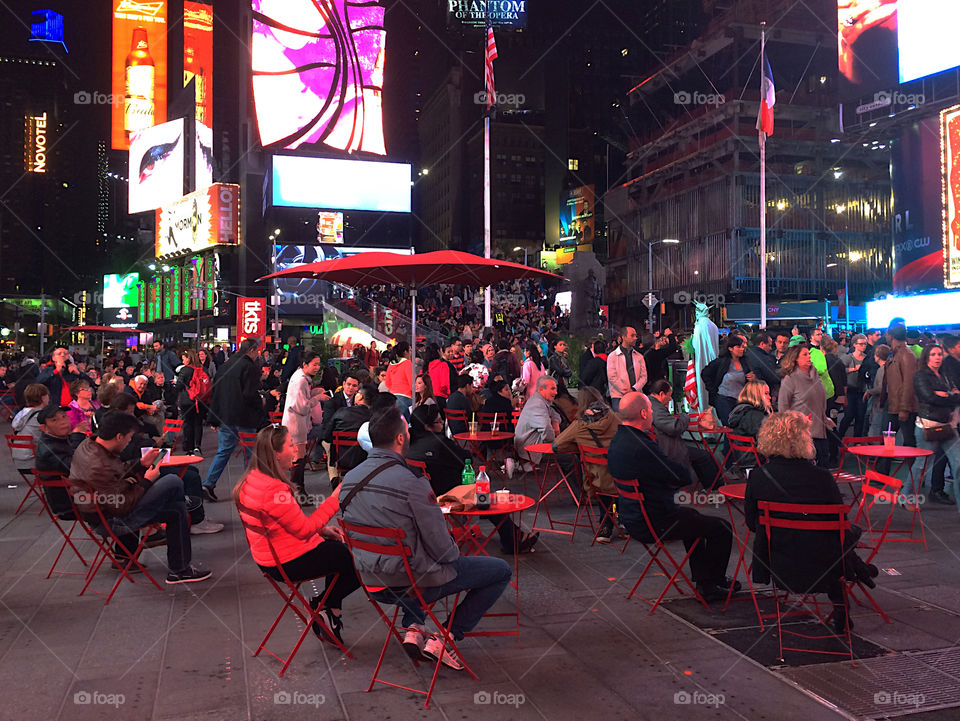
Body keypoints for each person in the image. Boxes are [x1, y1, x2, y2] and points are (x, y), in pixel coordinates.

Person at [338, 406, 512, 668]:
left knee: (412, 558)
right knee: (499, 570)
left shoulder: (349, 481)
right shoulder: (412, 482)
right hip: (412, 584)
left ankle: (416, 628)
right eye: (406, 432)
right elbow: (445, 551)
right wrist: (454, 549)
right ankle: (446, 637)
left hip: (373, 583)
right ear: (399, 439)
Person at [744, 411, 878, 633]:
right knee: (846, 534)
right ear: (803, 440)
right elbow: (840, 525)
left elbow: (751, 523)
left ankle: (859, 571)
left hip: (779, 562)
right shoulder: (822, 477)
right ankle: (854, 578)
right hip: (825, 564)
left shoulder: (758, 476)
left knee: (838, 535)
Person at [607, 392, 738, 602]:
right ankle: (715, 580)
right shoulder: (642, 446)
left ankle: (706, 582)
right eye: (650, 410)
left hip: (630, 516)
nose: (652, 414)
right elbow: (681, 475)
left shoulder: (618, 441)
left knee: (692, 518)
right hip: (654, 520)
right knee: (721, 528)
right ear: (643, 413)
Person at [235, 424, 360, 643]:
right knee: (356, 560)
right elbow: (302, 531)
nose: (295, 449)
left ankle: (329, 612)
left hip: (268, 557)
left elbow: (288, 522)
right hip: (285, 562)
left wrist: (322, 530)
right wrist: (334, 500)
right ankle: (324, 606)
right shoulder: (273, 488)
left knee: (337, 550)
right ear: (276, 454)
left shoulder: (250, 480)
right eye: (290, 445)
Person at [69, 411, 212, 583]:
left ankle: (179, 570)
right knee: (172, 481)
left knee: (177, 509)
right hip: (112, 520)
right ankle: (185, 505)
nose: (130, 441)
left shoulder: (90, 445)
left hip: (107, 509)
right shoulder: (98, 465)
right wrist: (146, 482)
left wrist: (140, 464)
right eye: (129, 438)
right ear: (119, 436)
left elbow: (116, 471)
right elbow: (120, 505)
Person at [408, 404, 538, 554]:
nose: (443, 423)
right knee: (488, 497)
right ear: (427, 427)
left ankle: (513, 535)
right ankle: (512, 540)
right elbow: (465, 459)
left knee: (482, 495)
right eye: (439, 422)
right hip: (450, 496)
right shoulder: (440, 443)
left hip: (426, 496)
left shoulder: (410, 444)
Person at [553, 386, 620, 542]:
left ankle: (606, 527)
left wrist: (580, 446)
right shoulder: (615, 418)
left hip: (595, 479)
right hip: (620, 475)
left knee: (602, 478)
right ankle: (623, 520)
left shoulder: (579, 425)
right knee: (612, 479)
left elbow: (556, 445)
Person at [203, 338, 267, 502]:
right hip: (245, 418)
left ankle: (208, 484)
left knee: (223, 451)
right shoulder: (249, 367)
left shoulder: (224, 366)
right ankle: (248, 488)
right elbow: (249, 394)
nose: (258, 354)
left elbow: (215, 393)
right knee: (249, 455)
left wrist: (214, 419)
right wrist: (261, 403)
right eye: (257, 351)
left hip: (225, 417)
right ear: (252, 350)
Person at [647, 380, 719, 489]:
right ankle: (716, 487)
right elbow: (674, 428)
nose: (671, 399)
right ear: (661, 394)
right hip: (667, 449)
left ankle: (710, 487)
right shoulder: (656, 408)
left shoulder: (650, 403)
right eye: (669, 396)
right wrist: (685, 416)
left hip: (662, 445)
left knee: (700, 455)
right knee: (704, 456)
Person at [912, 344, 960, 507]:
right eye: (933, 354)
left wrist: (946, 395)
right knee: (922, 466)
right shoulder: (920, 376)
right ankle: (907, 495)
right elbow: (930, 398)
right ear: (927, 357)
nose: (938, 357)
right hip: (929, 425)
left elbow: (952, 394)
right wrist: (949, 395)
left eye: (939, 354)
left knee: (958, 463)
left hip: (948, 424)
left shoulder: (944, 375)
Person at [282, 351, 329, 502]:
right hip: (296, 424)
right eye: (314, 364)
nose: (317, 367)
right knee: (298, 458)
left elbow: (300, 397)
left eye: (318, 364)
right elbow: (301, 407)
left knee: (298, 458)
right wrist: (318, 398)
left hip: (296, 422)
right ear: (304, 365)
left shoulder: (301, 377)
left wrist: (313, 392)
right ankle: (298, 491)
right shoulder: (301, 380)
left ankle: (298, 490)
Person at [779, 345, 833, 468]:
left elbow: (820, 402)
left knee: (823, 470)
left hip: (821, 431)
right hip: (802, 435)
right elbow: (783, 408)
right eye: (804, 355)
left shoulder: (816, 377)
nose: (809, 356)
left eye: (809, 354)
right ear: (795, 359)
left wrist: (825, 419)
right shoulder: (790, 379)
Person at [879, 326, 919, 475]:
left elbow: (909, 383)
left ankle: (913, 479)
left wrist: (904, 408)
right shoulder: (896, 353)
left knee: (909, 443)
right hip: (894, 404)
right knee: (889, 440)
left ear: (890, 336)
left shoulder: (906, 355)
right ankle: (882, 474)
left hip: (902, 406)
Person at [35, 404, 85, 517]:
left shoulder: (60, 438)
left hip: (80, 493)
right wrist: (77, 437)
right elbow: (77, 465)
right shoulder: (49, 449)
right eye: (54, 420)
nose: (63, 422)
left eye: (64, 416)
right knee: (122, 501)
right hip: (68, 504)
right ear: (44, 428)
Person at [325, 383, 376, 484]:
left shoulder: (341, 412)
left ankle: (335, 480)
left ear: (361, 397)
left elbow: (327, 435)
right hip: (366, 459)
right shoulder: (375, 417)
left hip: (342, 458)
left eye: (357, 392)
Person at [701, 334, 754, 426]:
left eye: (742, 347)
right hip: (724, 398)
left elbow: (751, 377)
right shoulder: (721, 362)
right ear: (730, 349)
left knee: (738, 426)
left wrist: (753, 378)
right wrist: (713, 390)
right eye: (738, 347)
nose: (742, 349)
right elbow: (705, 373)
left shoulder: (745, 362)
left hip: (740, 400)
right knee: (729, 426)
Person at [318, 372, 360, 478]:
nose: (350, 388)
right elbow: (328, 425)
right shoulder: (332, 402)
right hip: (333, 436)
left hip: (354, 438)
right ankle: (334, 479)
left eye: (354, 386)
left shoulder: (360, 400)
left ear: (358, 387)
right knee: (331, 448)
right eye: (348, 384)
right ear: (343, 384)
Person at [174, 349, 206, 455]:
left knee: (188, 424)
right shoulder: (202, 368)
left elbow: (179, 385)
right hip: (200, 400)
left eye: (183, 359)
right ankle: (198, 446)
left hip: (187, 400)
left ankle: (189, 447)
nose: (183, 362)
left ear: (188, 358)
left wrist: (175, 382)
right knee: (198, 423)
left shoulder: (185, 370)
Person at [606, 326, 647, 412]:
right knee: (621, 422)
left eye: (636, 335)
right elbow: (612, 378)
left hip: (637, 395)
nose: (635, 338)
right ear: (623, 337)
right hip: (619, 396)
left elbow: (644, 377)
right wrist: (626, 390)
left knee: (637, 422)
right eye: (632, 335)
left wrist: (633, 389)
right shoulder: (612, 356)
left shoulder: (639, 356)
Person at [11, 383, 49, 470]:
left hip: (19, 459)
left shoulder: (20, 415)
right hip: (33, 461)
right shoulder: (41, 416)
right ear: (43, 398)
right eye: (47, 395)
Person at [839, 334, 870, 439]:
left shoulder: (867, 358)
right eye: (861, 344)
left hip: (861, 390)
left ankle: (857, 440)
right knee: (849, 415)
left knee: (860, 416)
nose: (863, 346)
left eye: (865, 344)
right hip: (849, 390)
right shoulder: (848, 357)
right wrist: (853, 369)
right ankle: (840, 437)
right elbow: (840, 371)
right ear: (855, 345)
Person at [384, 341, 413, 418]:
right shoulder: (407, 363)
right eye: (410, 351)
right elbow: (412, 383)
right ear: (405, 352)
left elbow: (387, 383)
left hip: (393, 399)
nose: (411, 353)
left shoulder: (391, 364)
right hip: (406, 398)